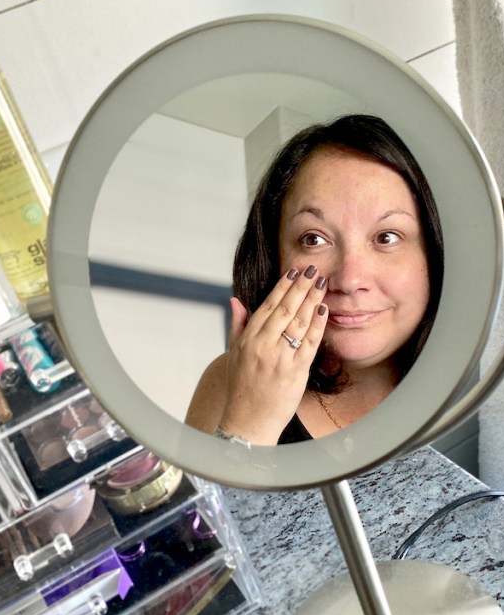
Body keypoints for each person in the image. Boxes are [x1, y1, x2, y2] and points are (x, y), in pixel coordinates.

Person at [185, 114, 444, 445]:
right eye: (313, 239)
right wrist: (251, 421)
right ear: (273, 257)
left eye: (387, 237)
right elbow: (210, 498)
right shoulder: (228, 380)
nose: (349, 279)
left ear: (432, 252)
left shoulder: (486, 373)